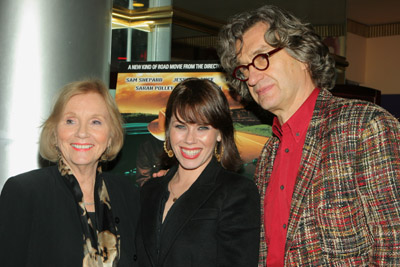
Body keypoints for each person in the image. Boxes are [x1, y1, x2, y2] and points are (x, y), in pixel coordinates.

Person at [217, 5, 400, 266]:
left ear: (301, 55)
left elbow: (394, 245)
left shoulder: (365, 126)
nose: (253, 77)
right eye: (244, 70)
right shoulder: (269, 155)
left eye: (261, 58)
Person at [0, 79, 140, 266]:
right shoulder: (24, 192)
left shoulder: (128, 194)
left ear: (110, 136)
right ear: (55, 133)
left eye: (95, 122)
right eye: (70, 121)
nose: (82, 133)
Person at [135, 77, 260, 267]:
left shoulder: (237, 192)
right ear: (168, 130)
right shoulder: (149, 191)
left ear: (219, 134)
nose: (190, 139)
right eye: (181, 126)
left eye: (202, 128)